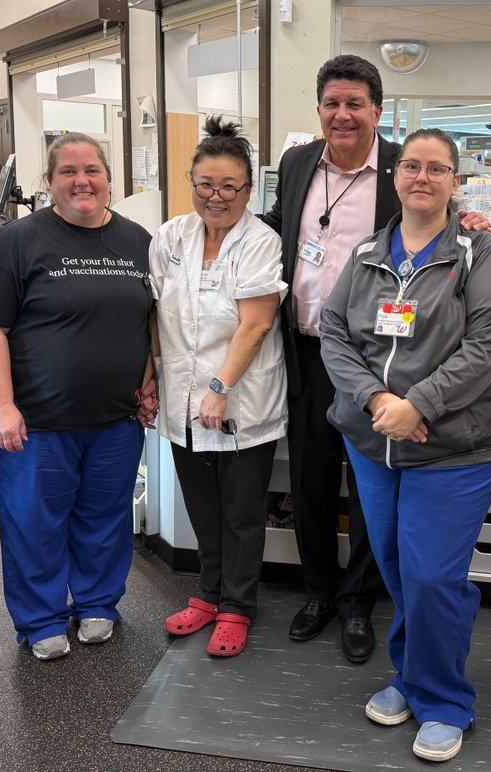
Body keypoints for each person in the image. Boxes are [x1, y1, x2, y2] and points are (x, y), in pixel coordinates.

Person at [263, 54, 490, 664]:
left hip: (385, 364)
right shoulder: (295, 163)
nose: (343, 115)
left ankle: (361, 601)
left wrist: (467, 220)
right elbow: (281, 230)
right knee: (311, 481)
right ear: (318, 109)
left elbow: (433, 219)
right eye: (332, 103)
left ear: (377, 111)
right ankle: (319, 593)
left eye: (355, 104)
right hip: (311, 351)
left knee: (370, 486)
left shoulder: (402, 166)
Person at [321, 128, 491, 762]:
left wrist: (419, 405)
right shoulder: (368, 254)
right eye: (411, 166)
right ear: (395, 175)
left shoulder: (476, 252)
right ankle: (410, 675)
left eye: (438, 169)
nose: (422, 178)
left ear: (455, 181)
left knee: (434, 576)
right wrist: (380, 404)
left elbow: (490, 343)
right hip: (375, 443)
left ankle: (444, 699)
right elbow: (332, 333)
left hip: (457, 447)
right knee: (401, 570)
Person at [0, 132, 156, 661]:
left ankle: (98, 603)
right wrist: (1, 406)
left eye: (92, 170)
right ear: (49, 182)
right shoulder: (19, 241)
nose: (82, 181)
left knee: (105, 516)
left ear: (109, 178)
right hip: (38, 422)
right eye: (68, 172)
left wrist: (147, 378)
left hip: (115, 419)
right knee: (34, 523)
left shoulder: (137, 241)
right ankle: (41, 617)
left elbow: (148, 320)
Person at [151, 117, 288, 658]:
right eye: (205, 184)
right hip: (183, 398)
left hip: (240, 399)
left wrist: (218, 386)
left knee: (241, 509)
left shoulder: (260, 241)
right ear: (191, 183)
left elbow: (255, 324)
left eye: (229, 186)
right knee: (202, 507)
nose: (216, 196)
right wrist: (150, 379)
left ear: (248, 191)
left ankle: (238, 606)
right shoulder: (171, 237)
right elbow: (155, 315)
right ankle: (208, 594)